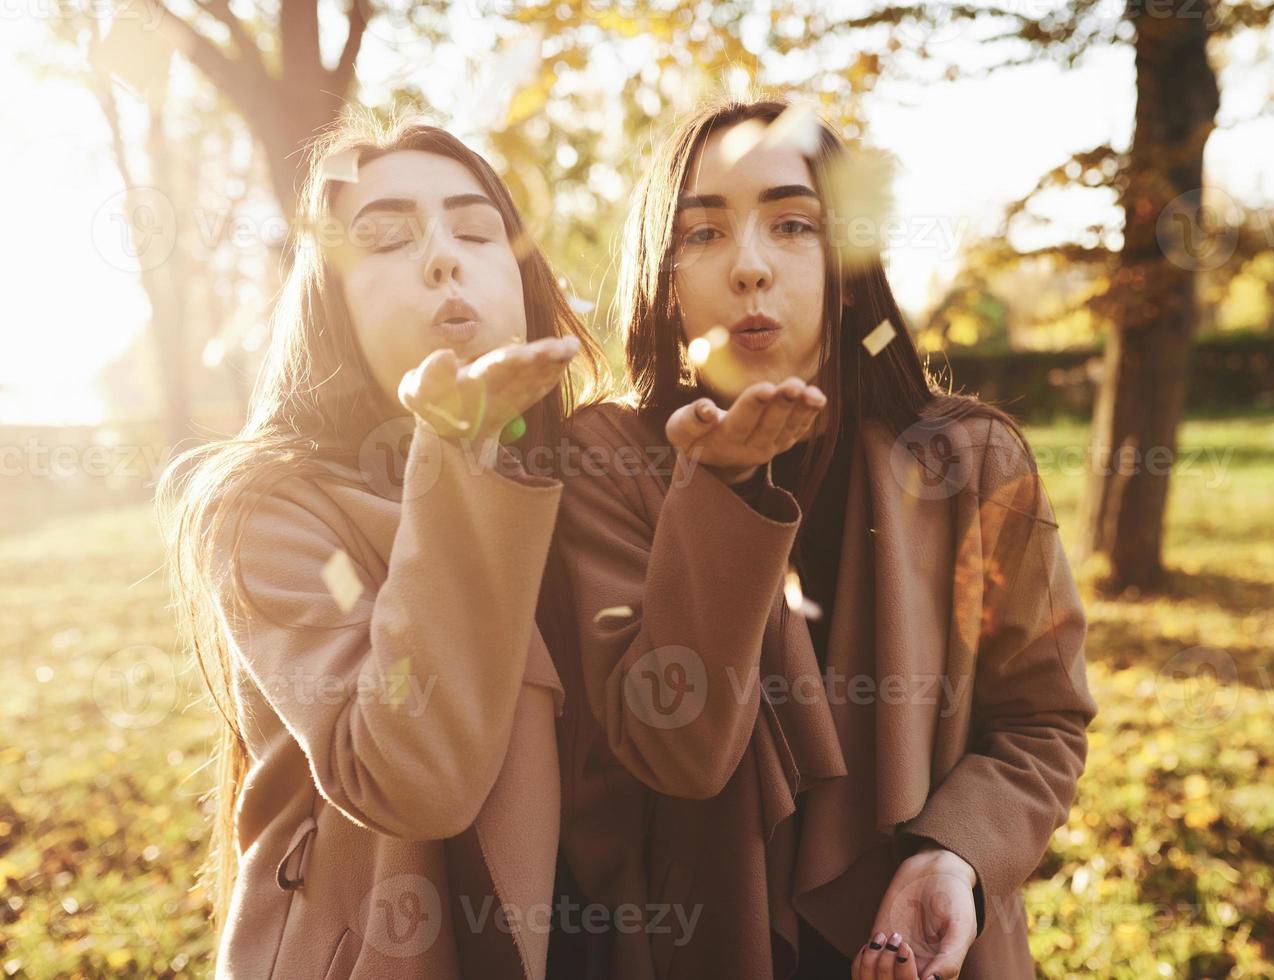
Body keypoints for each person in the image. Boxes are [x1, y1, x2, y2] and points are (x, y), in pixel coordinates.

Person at [550, 98, 1098, 980]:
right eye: (703, 235)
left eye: (793, 225)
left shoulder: (971, 459)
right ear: (664, 277)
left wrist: (955, 853)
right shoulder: (601, 463)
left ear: (846, 267)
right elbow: (672, 748)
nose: (750, 267)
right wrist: (720, 491)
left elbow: (1043, 718)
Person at [159, 110, 605, 979]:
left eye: (478, 231)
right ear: (328, 302)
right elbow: (410, 776)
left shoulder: (590, 475)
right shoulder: (270, 512)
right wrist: (458, 459)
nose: (445, 256)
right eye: (387, 240)